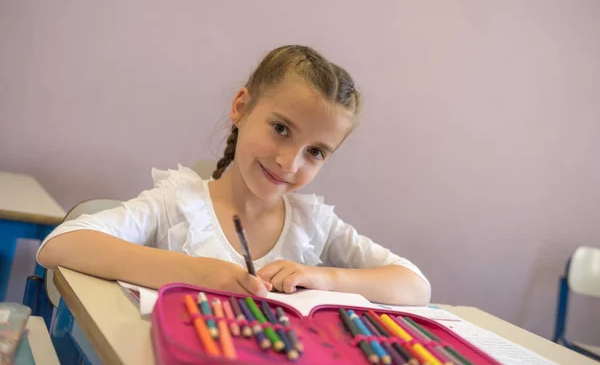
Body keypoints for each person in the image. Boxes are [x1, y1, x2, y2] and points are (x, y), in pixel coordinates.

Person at [37, 45, 430, 305]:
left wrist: (326, 279)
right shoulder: (180, 203)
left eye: (315, 152)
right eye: (281, 129)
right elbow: (61, 244)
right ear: (241, 106)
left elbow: (415, 285)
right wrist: (197, 274)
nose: (289, 163)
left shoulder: (315, 225)